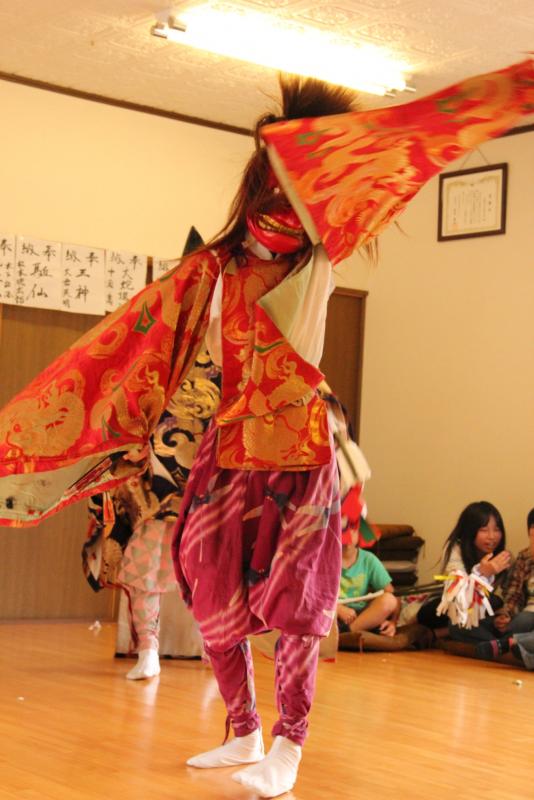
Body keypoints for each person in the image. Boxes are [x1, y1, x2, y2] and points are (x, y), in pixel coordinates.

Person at [0, 60, 533, 799]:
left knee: (297, 603)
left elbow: (372, 166)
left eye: (289, 178)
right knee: (208, 582)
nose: (276, 200)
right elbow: (137, 341)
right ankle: (243, 728)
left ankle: (290, 743)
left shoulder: (319, 250)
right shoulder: (215, 268)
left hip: (299, 447)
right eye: (267, 182)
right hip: (229, 444)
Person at [82, 349, 221, 679]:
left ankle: (216, 652)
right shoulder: (158, 354)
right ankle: (148, 649)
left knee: (211, 575)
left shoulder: (228, 356)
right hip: (151, 488)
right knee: (144, 572)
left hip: (205, 485)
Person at [436, 501, 511, 643]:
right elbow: (457, 597)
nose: (492, 536)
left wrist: (503, 615)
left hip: (486, 616)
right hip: (455, 609)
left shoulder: (503, 557)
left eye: (496, 529)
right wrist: (482, 574)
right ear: (470, 530)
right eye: (484, 530)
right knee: (457, 623)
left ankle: (498, 646)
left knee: (498, 606)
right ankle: (499, 647)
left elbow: (505, 596)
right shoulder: (455, 549)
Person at [475, 508, 534, 667]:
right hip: (525, 618)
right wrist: (506, 614)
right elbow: (514, 593)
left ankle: (510, 645)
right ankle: (515, 646)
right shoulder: (525, 559)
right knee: (521, 621)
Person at [337, 538, 399, 646]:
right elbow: (313, 594)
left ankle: (346, 634)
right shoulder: (324, 557)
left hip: (360, 617)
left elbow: (393, 595)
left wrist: (393, 622)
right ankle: (342, 635)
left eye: (353, 528)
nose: (348, 535)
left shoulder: (368, 559)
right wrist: (338, 608)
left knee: (389, 600)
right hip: (331, 613)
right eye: (343, 528)